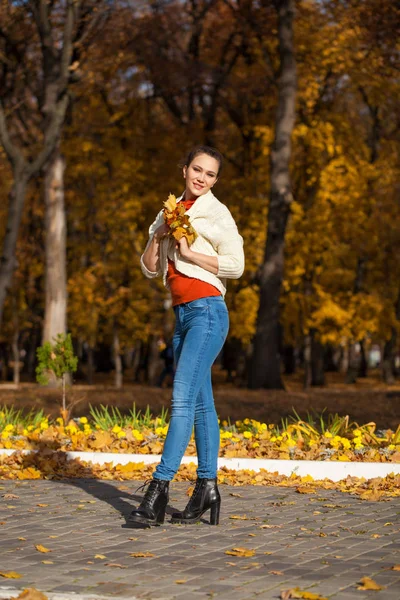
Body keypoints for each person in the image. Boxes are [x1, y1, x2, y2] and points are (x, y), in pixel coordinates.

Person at [128, 145, 244, 527]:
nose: (202, 178)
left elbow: (236, 265)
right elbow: (149, 268)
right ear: (184, 170)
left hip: (208, 312)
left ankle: (157, 492)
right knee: (199, 404)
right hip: (182, 316)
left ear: (215, 180)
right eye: (198, 169)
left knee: (180, 400)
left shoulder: (217, 213)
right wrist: (158, 236)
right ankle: (207, 487)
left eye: (210, 174)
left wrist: (192, 255)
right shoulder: (169, 211)